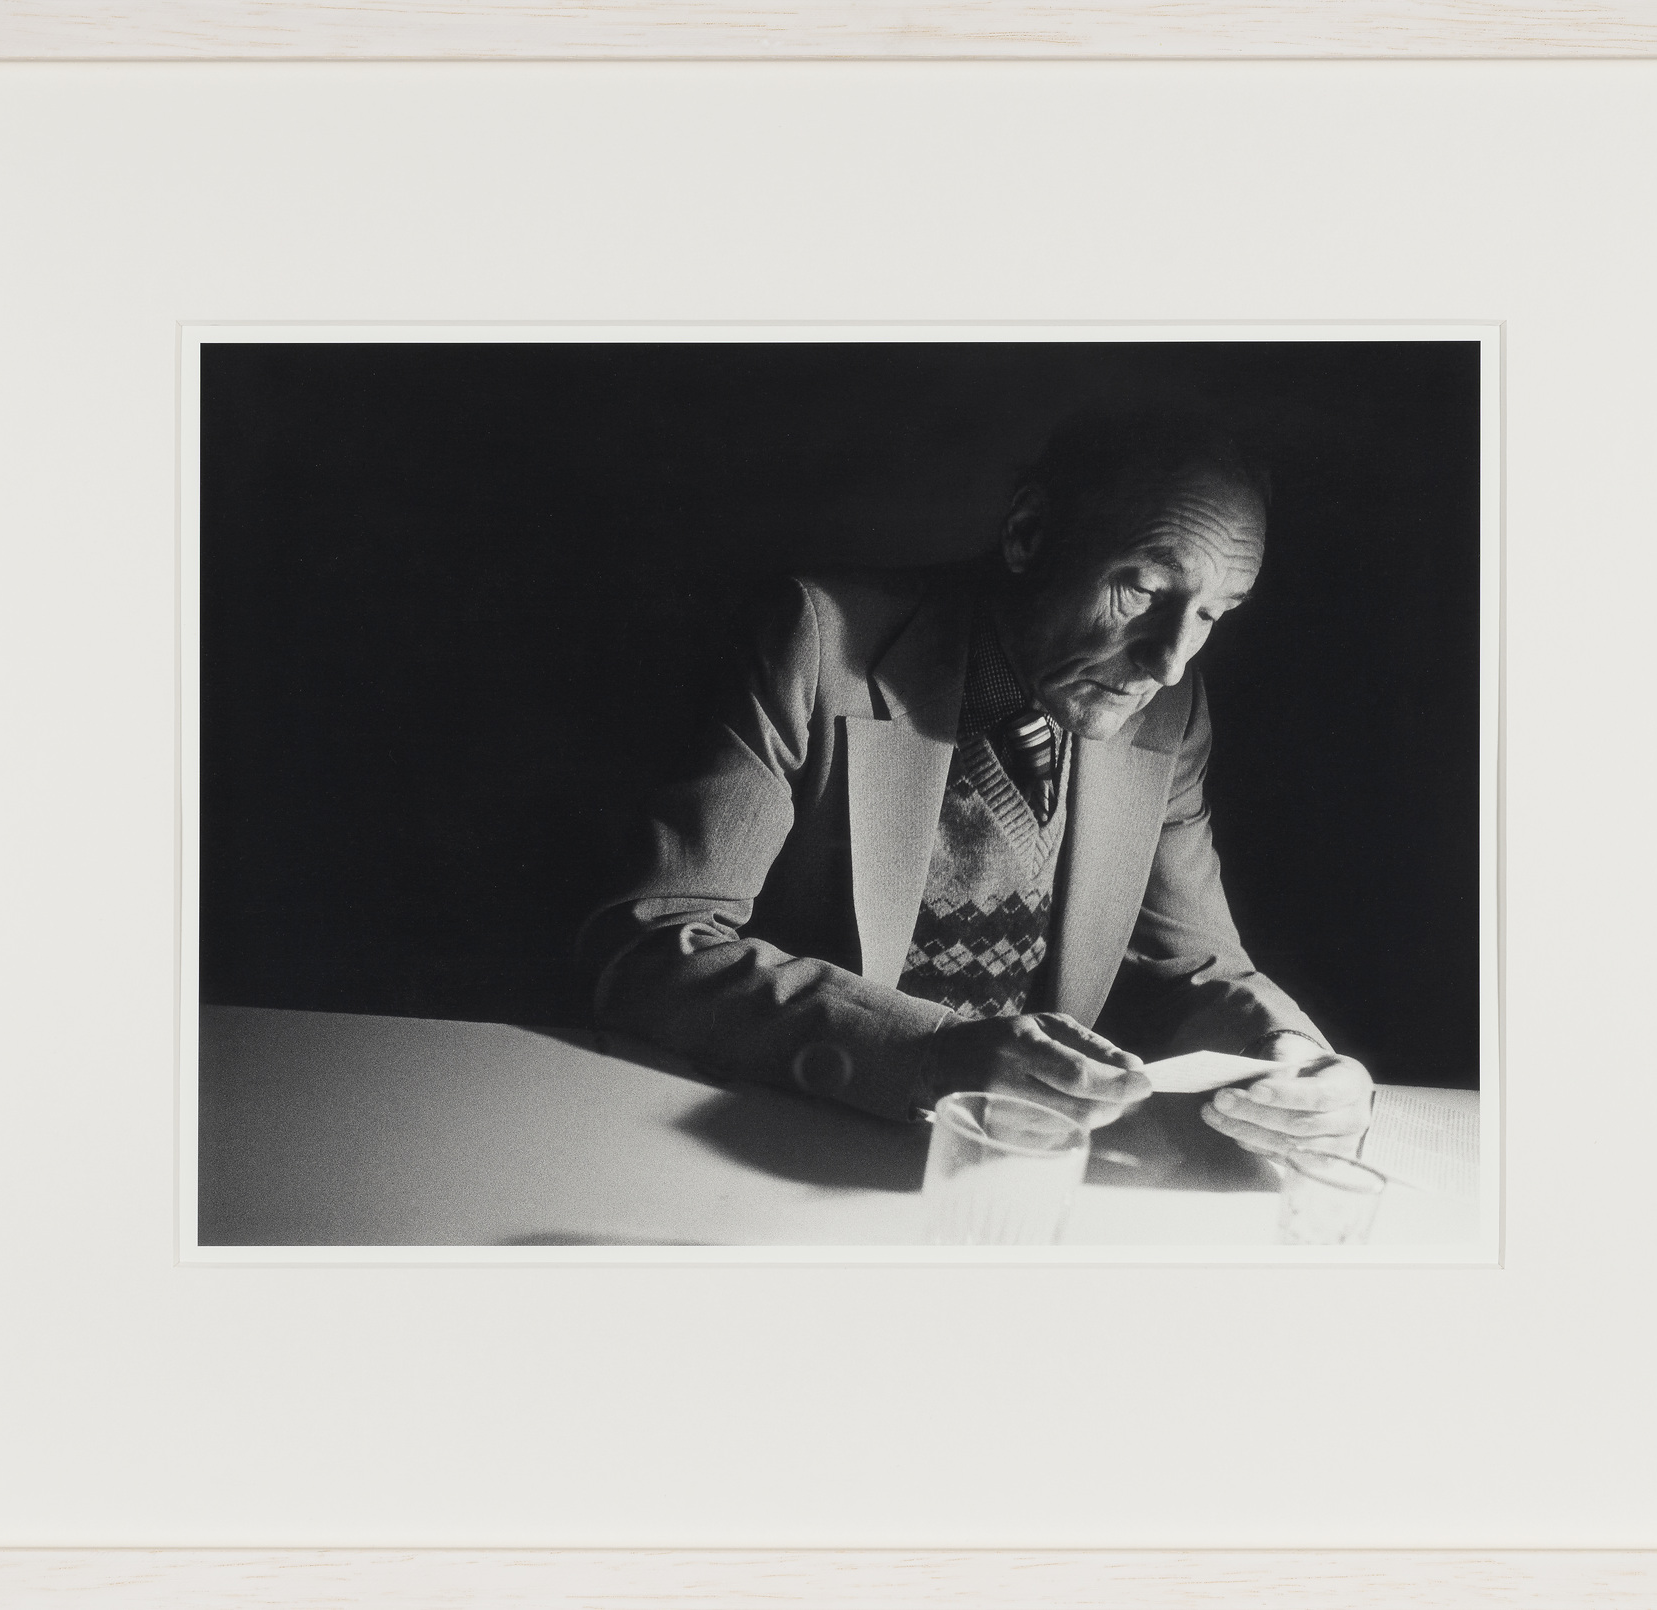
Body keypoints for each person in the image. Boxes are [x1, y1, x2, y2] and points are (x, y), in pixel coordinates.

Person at [579, 411, 1372, 1157]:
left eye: (1213, 615)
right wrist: (926, 1054)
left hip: (1011, 1169)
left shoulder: (1171, 712)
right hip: (768, 1138)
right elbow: (651, 945)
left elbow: (1199, 968)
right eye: (1143, 589)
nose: (1169, 662)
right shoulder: (816, 639)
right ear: (1027, 534)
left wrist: (1290, 1054)